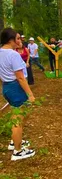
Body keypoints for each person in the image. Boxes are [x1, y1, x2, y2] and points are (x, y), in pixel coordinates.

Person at [0, 28, 35, 160]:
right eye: (18, 38)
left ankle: (14, 141)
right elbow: (20, 77)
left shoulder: (1, 52)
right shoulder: (13, 54)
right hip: (15, 87)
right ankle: (18, 151)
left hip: (7, 87)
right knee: (18, 120)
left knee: (23, 114)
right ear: (11, 40)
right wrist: (30, 94)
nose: (20, 41)